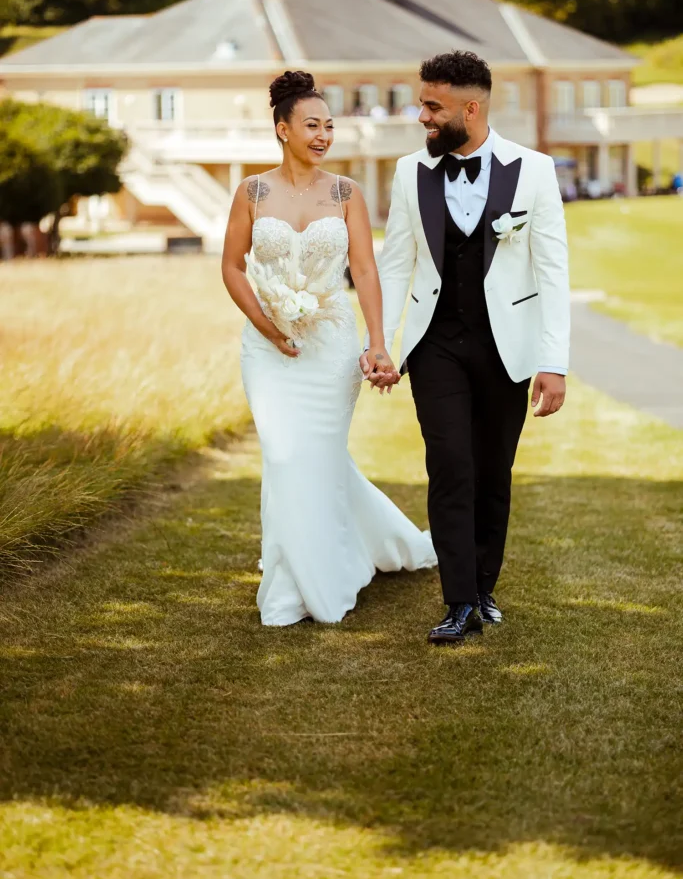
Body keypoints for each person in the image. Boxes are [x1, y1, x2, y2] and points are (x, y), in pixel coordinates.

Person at [362, 50, 570, 645]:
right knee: (450, 466)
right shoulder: (410, 172)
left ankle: (483, 586)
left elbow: (552, 270)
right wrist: (383, 344)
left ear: (470, 108)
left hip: (508, 346)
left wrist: (553, 363)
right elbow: (397, 262)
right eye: (422, 102)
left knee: (491, 472)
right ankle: (457, 603)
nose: (421, 115)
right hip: (436, 346)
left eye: (433, 105)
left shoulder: (533, 170)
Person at [222, 71, 437, 627]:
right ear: (282, 129)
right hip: (268, 350)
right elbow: (231, 265)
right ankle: (292, 578)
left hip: (331, 345)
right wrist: (268, 327)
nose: (323, 135)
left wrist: (376, 342)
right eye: (312, 124)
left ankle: (312, 577)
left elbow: (365, 269)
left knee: (311, 456)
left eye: (329, 126)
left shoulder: (346, 193)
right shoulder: (251, 191)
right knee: (284, 454)